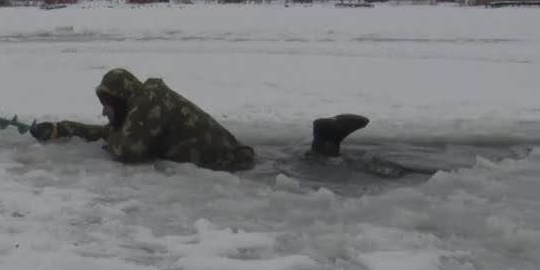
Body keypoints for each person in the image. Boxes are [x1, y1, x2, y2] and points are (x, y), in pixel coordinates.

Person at [28, 68, 370, 172]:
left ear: (119, 98)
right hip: (229, 161)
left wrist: (107, 138)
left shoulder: (148, 102)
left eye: (106, 104)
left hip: (232, 166)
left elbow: (127, 151)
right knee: (291, 165)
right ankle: (324, 144)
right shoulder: (143, 105)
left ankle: (326, 142)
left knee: (299, 170)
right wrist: (63, 129)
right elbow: (112, 133)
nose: (104, 112)